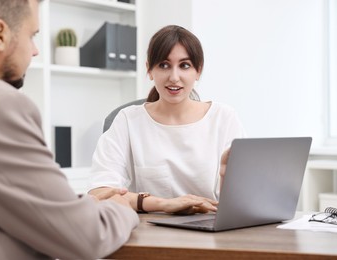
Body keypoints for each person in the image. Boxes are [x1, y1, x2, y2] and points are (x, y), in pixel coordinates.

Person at [0, 1, 138, 259]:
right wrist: (121, 207)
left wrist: (75, 207)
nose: (36, 51)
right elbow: (87, 237)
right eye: (32, 35)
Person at [88, 25, 246, 214]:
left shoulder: (224, 118)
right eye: (164, 65)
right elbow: (100, 193)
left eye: (184, 65)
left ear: (198, 71)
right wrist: (163, 204)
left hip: (212, 231)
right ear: (149, 69)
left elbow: (246, 197)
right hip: (152, 233)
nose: (174, 77)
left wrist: (226, 177)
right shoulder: (128, 120)